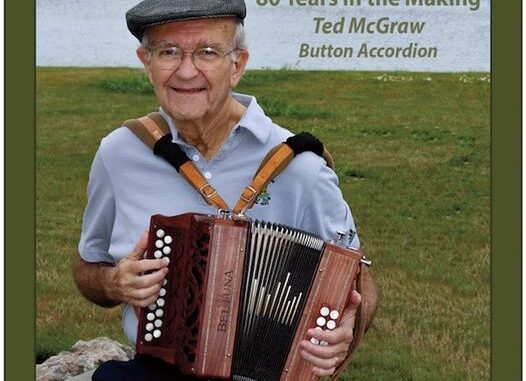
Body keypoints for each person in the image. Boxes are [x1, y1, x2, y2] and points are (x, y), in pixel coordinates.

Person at [72, 0, 376, 380]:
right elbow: (88, 265)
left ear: (238, 64)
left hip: (267, 372)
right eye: (168, 52)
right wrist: (114, 283)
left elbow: (358, 277)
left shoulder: (301, 168)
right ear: (146, 63)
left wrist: (347, 327)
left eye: (207, 52)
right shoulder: (120, 153)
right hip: (158, 369)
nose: (186, 71)